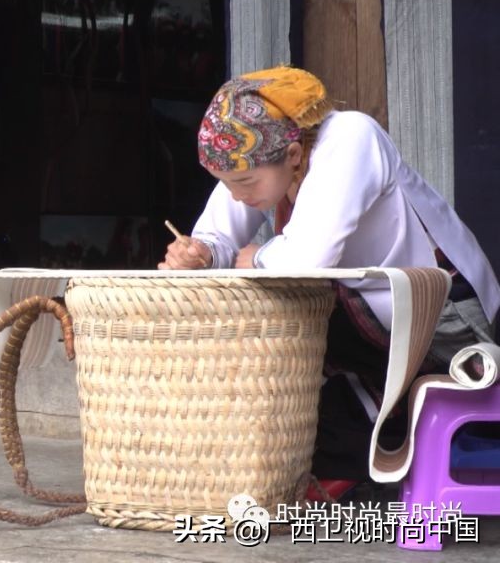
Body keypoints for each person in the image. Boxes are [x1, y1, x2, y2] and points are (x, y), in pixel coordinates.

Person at [158, 66, 500, 491]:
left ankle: (351, 460)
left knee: (292, 333)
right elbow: (219, 233)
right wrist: (202, 253)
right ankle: (341, 457)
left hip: (445, 318)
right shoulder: (264, 161)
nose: (237, 195)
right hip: (380, 316)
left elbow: (308, 257)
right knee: (283, 350)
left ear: (293, 155)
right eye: (226, 185)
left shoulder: (351, 137)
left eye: (244, 182)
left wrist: (254, 258)